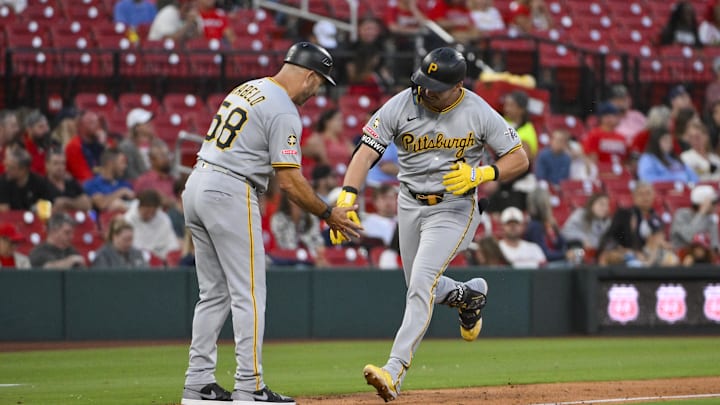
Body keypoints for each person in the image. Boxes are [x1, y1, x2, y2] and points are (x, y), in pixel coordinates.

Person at [329, 47, 529, 401]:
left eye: (436, 85)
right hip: (409, 204)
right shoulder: (402, 103)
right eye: (424, 82)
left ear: (459, 85)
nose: (427, 90)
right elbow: (365, 152)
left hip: (454, 206)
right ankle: (469, 295)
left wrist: (483, 172)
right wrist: (346, 197)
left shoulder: (477, 110)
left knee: (421, 284)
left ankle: (394, 371)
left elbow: (519, 157)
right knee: (421, 287)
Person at [180, 42, 362, 404]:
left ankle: (198, 384)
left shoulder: (248, 87)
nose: (317, 90)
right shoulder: (283, 108)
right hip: (230, 189)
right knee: (249, 294)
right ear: (309, 75)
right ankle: (250, 386)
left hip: (197, 183)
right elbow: (291, 182)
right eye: (319, 82)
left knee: (213, 293)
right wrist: (329, 213)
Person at [269, 192, 328, 266]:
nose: (296, 200)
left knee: (323, 264)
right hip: (285, 261)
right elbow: (285, 247)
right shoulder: (278, 219)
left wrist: (316, 255)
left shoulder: (311, 217)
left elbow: (318, 242)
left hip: (311, 260)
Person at [123, 189, 179, 262]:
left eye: (153, 213)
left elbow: (171, 245)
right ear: (139, 207)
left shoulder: (163, 219)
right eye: (146, 212)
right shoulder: (128, 220)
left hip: (160, 262)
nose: (149, 216)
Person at [0, 145, 51, 212]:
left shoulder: (40, 183)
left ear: (23, 170)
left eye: (11, 168)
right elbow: (4, 211)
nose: (6, 170)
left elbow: (46, 209)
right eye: (6, 166)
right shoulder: (3, 182)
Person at [669, 184, 720, 252]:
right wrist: (701, 213)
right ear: (701, 204)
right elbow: (689, 236)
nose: (716, 205)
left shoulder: (710, 218)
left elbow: (715, 246)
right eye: (713, 203)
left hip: (705, 259)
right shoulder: (681, 215)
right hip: (681, 257)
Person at [43, 148, 92, 213]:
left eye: (63, 163)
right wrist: (76, 203)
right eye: (56, 163)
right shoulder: (42, 185)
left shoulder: (71, 182)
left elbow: (87, 205)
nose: (60, 167)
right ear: (47, 165)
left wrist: (66, 202)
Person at [65, 110, 107, 183]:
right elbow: (85, 178)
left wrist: (103, 146)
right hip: (86, 189)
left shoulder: (99, 144)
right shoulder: (74, 146)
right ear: (81, 126)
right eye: (91, 122)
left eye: (97, 122)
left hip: (102, 184)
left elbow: (111, 170)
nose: (97, 125)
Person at [119, 108, 154, 181]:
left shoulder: (157, 143)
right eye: (146, 122)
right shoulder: (126, 147)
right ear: (136, 127)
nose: (150, 124)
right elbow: (130, 173)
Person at [360, 183, 399, 247]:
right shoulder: (366, 224)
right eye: (384, 198)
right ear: (375, 201)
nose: (388, 202)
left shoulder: (403, 222)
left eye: (391, 198)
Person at [22, 110, 56, 176]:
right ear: (29, 129)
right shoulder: (23, 149)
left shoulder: (52, 145)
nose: (46, 130)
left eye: (46, 125)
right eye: (41, 127)